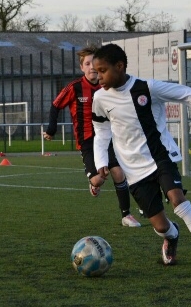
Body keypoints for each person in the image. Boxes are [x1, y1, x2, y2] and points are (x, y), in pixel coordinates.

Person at [91, 43, 191, 275]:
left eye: (102, 70)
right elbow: (101, 132)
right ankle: (172, 235)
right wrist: (101, 163)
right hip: (133, 170)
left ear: (119, 66)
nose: (98, 77)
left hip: (160, 157)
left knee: (178, 200)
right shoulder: (100, 98)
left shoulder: (147, 88)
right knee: (160, 225)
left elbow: (189, 94)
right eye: (96, 71)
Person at [43, 45, 141, 228]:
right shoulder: (75, 87)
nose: (91, 67)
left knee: (118, 172)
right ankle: (94, 183)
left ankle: (126, 215)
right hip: (87, 141)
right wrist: (51, 129)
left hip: (108, 138)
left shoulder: (108, 86)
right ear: (82, 67)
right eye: (87, 64)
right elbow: (55, 105)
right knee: (98, 179)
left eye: (94, 63)